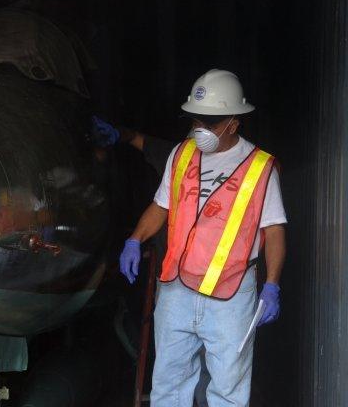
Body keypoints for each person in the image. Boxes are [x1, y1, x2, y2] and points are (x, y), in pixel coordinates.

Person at [118, 69, 287, 406]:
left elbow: (275, 229)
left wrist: (272, 284)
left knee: (227, 390)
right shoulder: (181, 154)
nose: (202, 129)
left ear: (234, 123)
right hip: (176, 289)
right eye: (198, 120)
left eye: (212, 123)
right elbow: (160, 205)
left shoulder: (260, 167)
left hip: (229, 295)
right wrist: (135, 239)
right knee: (169, 384)